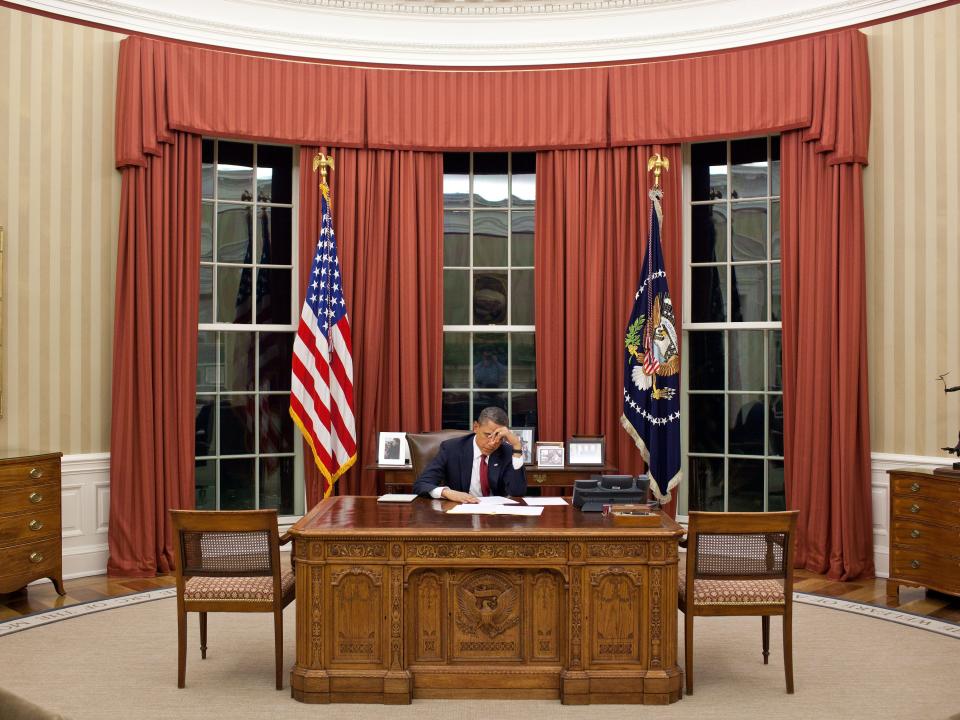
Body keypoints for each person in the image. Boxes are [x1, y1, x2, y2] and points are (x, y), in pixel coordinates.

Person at [413, 406, 526, 503]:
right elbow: (422, 484)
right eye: (488, 435)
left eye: (499, 437)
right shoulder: (451, 449)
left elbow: (517, 492)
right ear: (476, 427)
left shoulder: (507, 451)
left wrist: (516, 447)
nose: (493, 443)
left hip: (496, 516)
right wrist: (447, 493)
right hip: (460, 514)